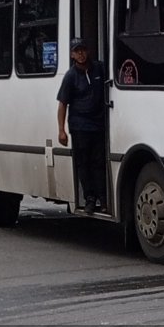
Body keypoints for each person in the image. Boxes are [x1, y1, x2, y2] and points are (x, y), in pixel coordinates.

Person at [57, 38, 107, 215]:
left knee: (99, 163)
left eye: (83, 50)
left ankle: (103, 197)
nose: (80, 54)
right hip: (80, 127)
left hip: (99, 125)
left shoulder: (99, 69)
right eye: (77, 51)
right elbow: (63, 104)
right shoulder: (71, 76)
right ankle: (90, 198)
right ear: (72, 54)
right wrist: (61, 130)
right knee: (83, 164)